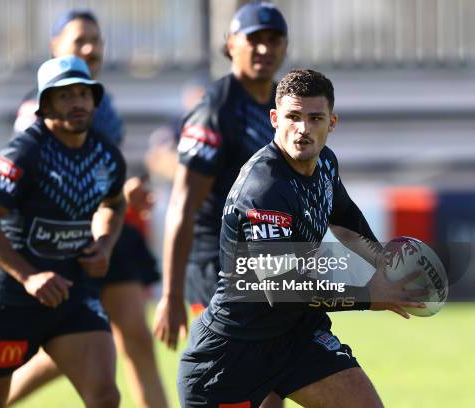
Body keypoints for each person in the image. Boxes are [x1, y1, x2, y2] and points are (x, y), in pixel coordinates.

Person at [177, 69, 427, 407]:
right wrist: (369, 295)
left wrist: (382, 265)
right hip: (231, 357)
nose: (303, 129)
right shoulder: (263, 191)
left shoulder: (324, 162)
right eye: (293, 117)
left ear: (332, 122)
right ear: (274, 118)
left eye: (315, 118)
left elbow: (345, 219)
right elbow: (279, 289)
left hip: (297, 338)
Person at [8, 10, 167, 408]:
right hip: (65, 240)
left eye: (96, 40)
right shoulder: (37, 111)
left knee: (135, 337)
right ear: (54, 48)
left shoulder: (102, 101)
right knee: (72, 348)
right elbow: (38, 181)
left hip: (108, 232)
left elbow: (98, 172)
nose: (91, 48)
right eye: (79, 40)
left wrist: (123, 191)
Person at [0, 56, 126, 408]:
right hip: (11, 298)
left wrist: (106, 244)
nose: (77, 102)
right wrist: (29, 277)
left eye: (83, 93)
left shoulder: (107, 156)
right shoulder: (24, 154)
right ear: (44, 104)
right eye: (65, 96)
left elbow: (115, 203)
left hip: (72, 295)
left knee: (105, 396)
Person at [153, 0, 287, 346]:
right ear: (230, 45)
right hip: (218, 264)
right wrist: (171, 295)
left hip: (268, 258)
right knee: (239, 374)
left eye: (274, 39)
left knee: (277, 372)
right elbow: (183, 205)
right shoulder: (216, 109)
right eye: (254, 39)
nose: (264, 48)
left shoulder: (283, 104)